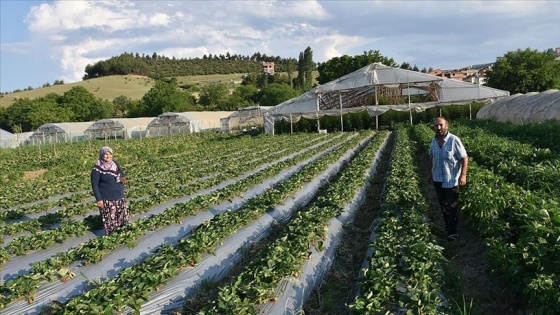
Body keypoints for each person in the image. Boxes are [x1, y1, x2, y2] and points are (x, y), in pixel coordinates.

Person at [427, 117, 468, 241]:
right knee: (443, 204)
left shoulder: (454, 140)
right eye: (436, 126)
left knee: (452, 205)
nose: (438, 128)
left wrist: (463, 175)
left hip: (451, 180)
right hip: (438, 178)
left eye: (441, 125)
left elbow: (464, 157)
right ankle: (447, 226)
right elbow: (431, 157)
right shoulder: (434, 141)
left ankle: (452, 231)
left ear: (447, 126)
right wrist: (429, 174)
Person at [91, 146, 130, 235]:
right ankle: (113, 238)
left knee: (122, 218)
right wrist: (99, 199)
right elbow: (95, 185)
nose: (108, 156)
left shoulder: (115, 164)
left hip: (119, 196)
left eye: (110, 154)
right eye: (106, 154)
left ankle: (123, 236)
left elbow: (121, 173)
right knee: (110, 221)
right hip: (107, 199)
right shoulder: (97, 169)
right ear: (101, 155)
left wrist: (122, 178)